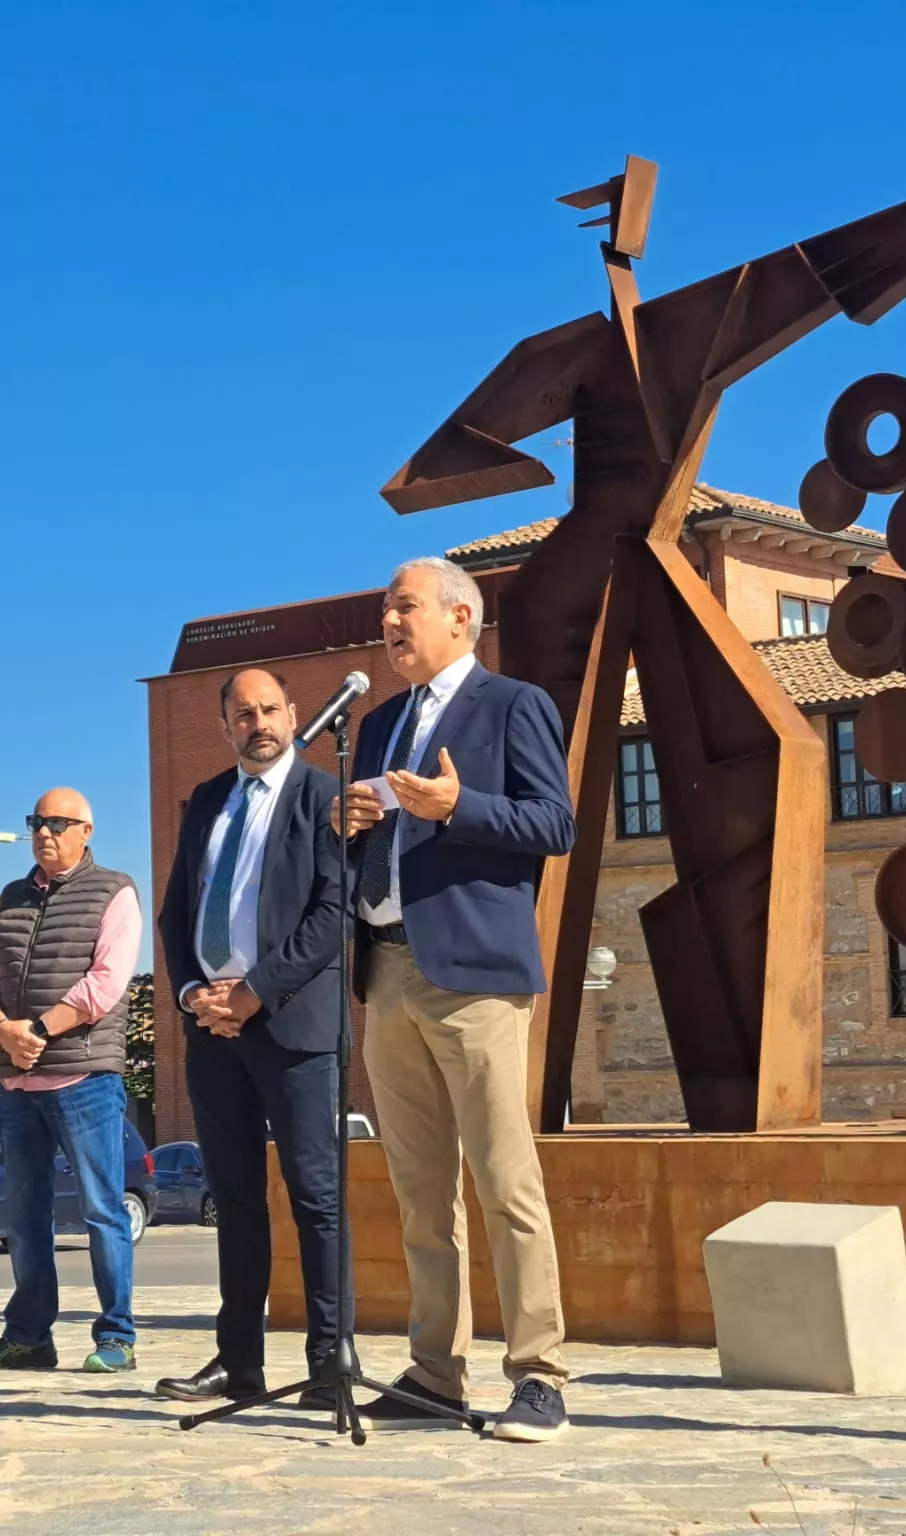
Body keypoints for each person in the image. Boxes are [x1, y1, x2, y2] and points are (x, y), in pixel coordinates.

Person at [335, 556, 577, 1442]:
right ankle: (436, 1371)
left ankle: (541, 1374)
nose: (390, 623)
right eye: (385, 610)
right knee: (419, 1189)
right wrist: (350, 830)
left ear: (461, 618)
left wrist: (456, 806)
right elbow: (382, 852)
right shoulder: (380, 723)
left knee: (504, 1179)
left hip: (473, 976)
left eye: (403, 607)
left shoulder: (513, 707)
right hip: (388, 970)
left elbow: (554, 824)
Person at [154, 669, 348, 1409]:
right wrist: (189, 993)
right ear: (225, 725)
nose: (259, 723)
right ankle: (239, 1363)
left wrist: (254, 990)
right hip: (212, 1032)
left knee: (316, 1197)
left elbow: (331, 917)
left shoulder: (324, 796)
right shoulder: (207, 799)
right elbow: (178, 913)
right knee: (232, 1198)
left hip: (291, 1025)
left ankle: (330, 1365)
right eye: (243, 714)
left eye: (271, 710)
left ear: (295, 714)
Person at [0, 788, 142, 1376]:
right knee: (22, 1214)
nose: (45, 832)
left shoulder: (114, 891)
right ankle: (27, 1337)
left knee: (101, 1210)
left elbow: (106, 983)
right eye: (37, 822)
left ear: (87, 830)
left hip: (83, 1078)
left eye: (58, 823)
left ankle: (117, 1336)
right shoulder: (12, 899)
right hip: (17, 1085)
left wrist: (37, 1028)